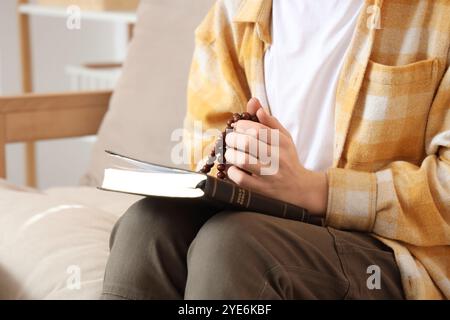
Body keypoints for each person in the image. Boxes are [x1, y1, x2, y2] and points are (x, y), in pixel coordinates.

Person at [102, 0, 449, 300]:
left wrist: (318, 192)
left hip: (395, 252)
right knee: (146, 227)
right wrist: (234, 164)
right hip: (268, 224)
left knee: (232, 246)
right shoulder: (236, 10)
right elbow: (203, 139)